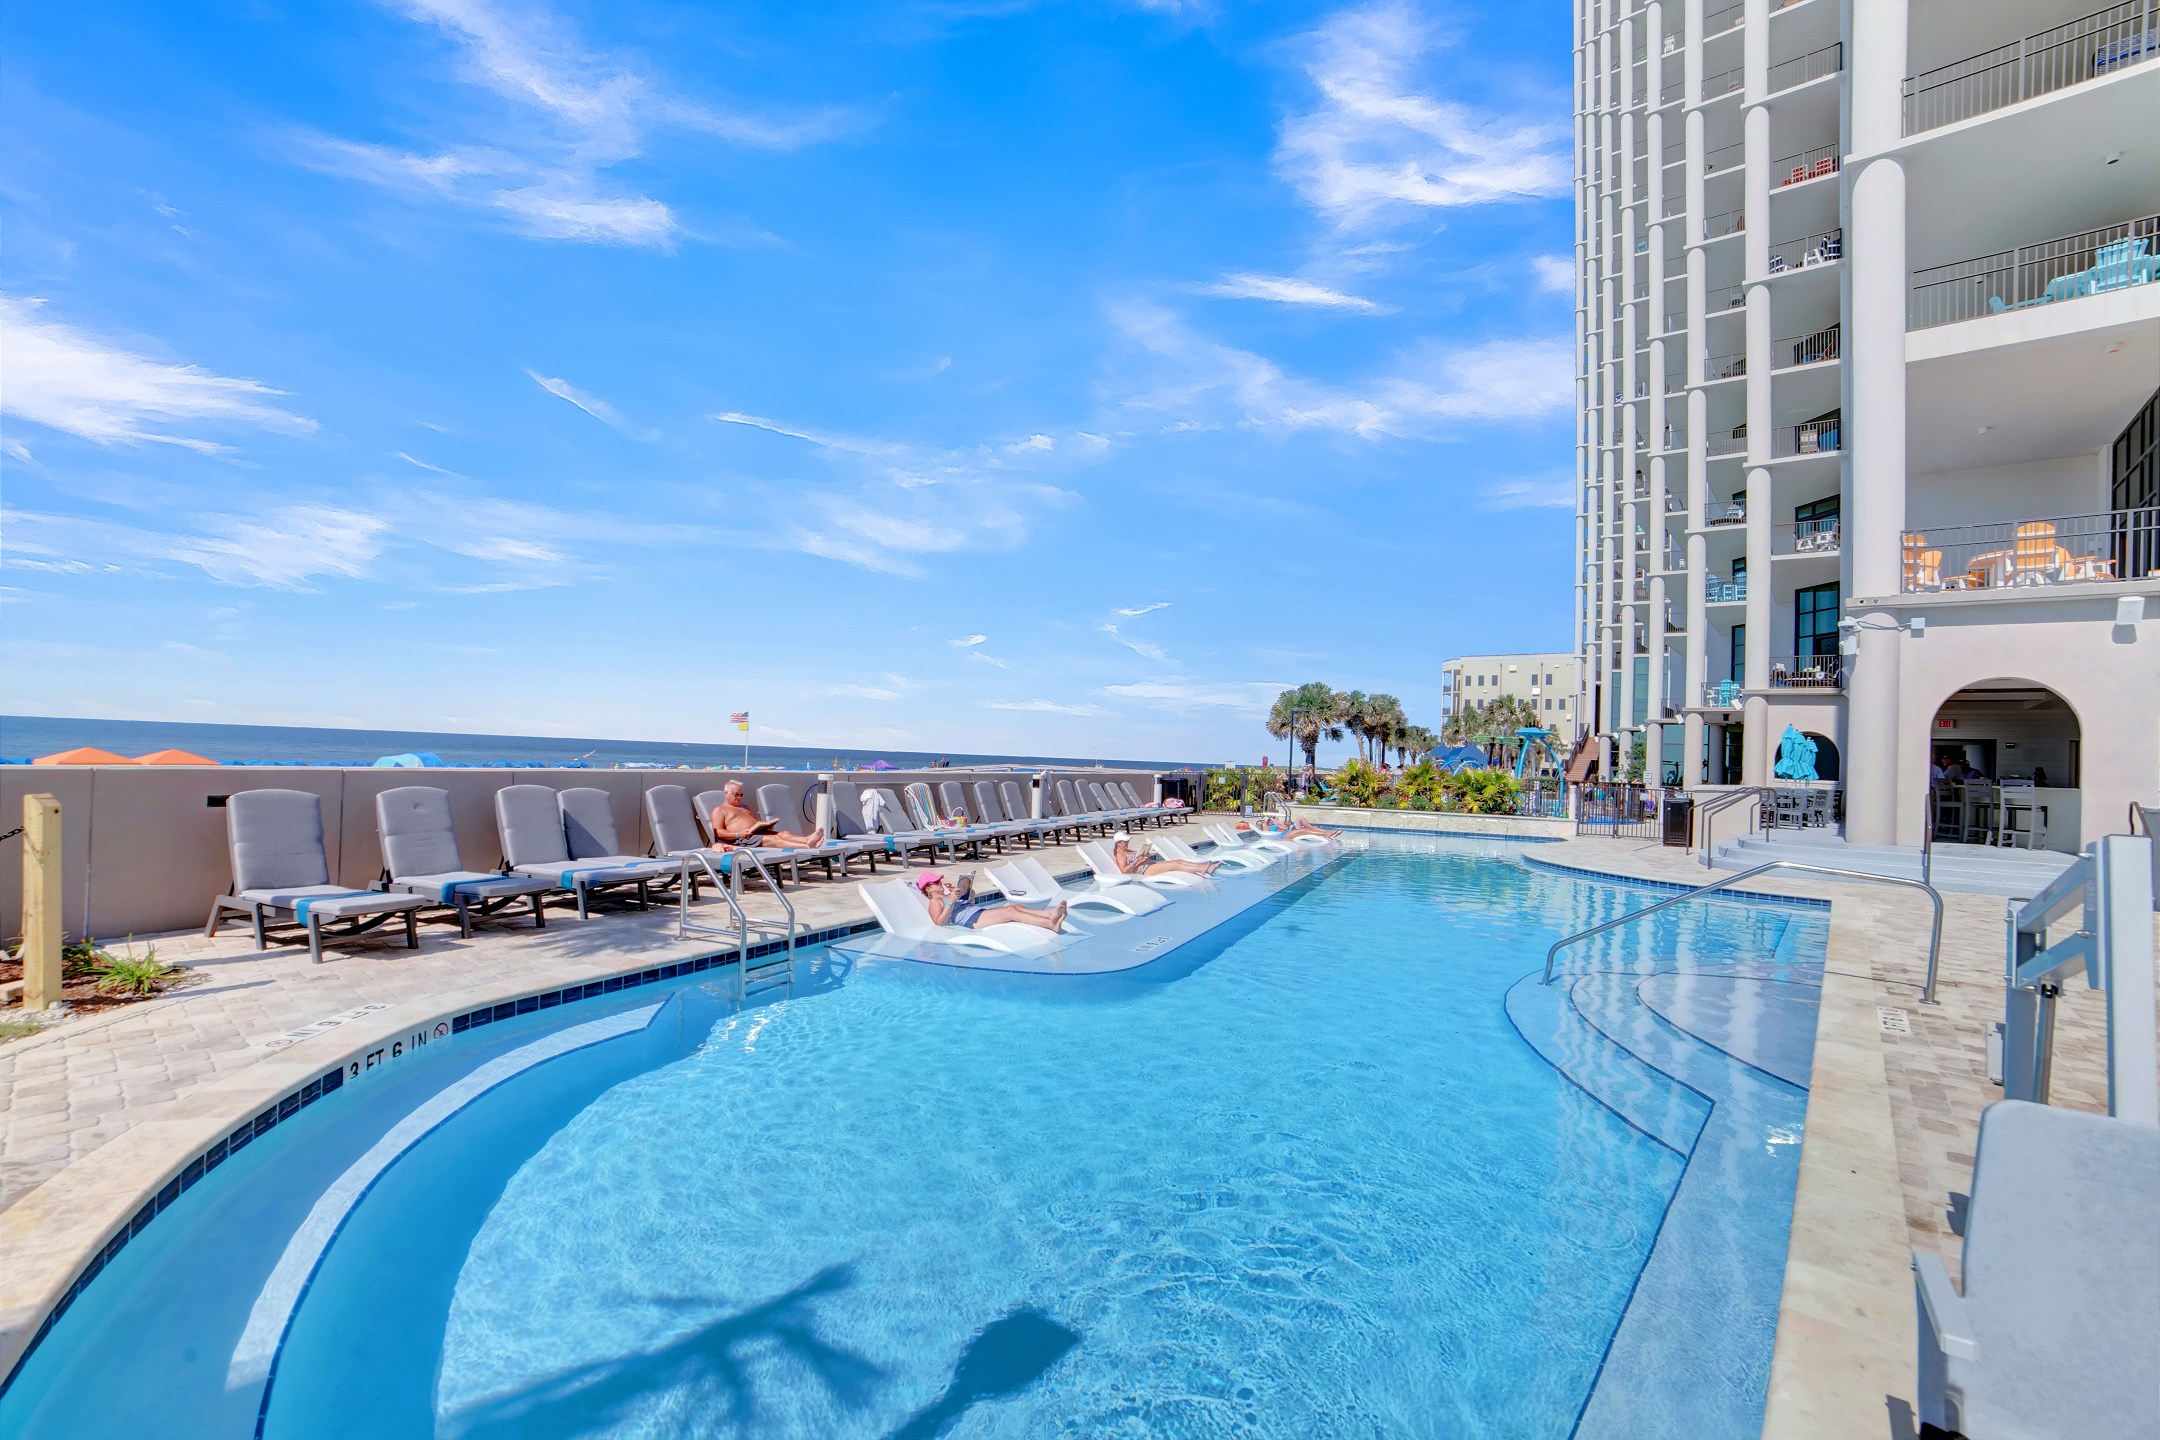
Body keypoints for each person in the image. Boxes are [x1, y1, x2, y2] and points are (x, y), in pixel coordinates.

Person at [915, 871, 1067, 932]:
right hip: (972, 921)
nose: (940, 883)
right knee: (1011, 911)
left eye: (939, 881)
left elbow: (963, 907)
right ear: (928, 888)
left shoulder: (948, 895)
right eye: (936, 882)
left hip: (976, 913)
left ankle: (1049, 914)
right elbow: (938, 922)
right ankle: (1050, 925)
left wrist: (969, 896)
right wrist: (950, 902)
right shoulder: (935, 901)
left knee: (1017, 906)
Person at [708, 780, 825, 849]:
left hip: (755, 835)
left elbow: (754, 823)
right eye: (736, 794)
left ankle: (807, 839)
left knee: (784, 833)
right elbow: (718, 832)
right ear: (726, 793)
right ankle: (807, 847)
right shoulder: (720, 810)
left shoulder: (744, 807)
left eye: (741, 795)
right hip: (741, 840)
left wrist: (765, 826)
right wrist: (739, 834)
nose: (739, 797)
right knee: (774, 840)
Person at [1112, 836, 1219, 878]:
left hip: (1149, 865)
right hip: (1145, 871)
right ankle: (1203, 869)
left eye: (1127, 841)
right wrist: (1137, 861)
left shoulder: (1128, 851)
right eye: (1125, 841)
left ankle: (1203, 866)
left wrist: (1145, 857)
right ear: (1118, 843)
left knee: (1179, 861)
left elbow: (1141, 859)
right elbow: (1124, 871)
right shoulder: (1120, 855)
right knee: (1175, 865)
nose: (1127, 843)